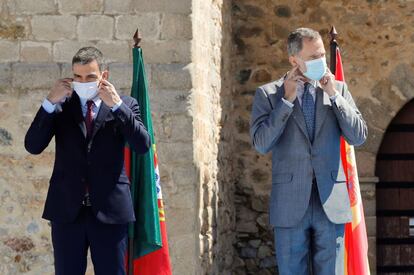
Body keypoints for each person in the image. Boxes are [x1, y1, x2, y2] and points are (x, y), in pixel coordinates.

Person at [250, 28, 367, 274]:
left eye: (322, 55)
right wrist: (286, 102)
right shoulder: (269, 94)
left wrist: (334, 95)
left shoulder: (338, 90)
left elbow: (358, 136)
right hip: (290, 204)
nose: (321, 62)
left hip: (331, 202)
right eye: (313, 57)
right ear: (294, 60)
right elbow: (261, 143)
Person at [24, 46, 151, 275]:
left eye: (90, 77)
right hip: (67, 211)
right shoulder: (60, 106)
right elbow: (32, 145)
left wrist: (117, 106)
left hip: (110, 211)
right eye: (78, 77)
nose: (83, 82)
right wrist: (49, 102)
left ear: (104, 75)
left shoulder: (126, 104)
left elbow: (142, 145)